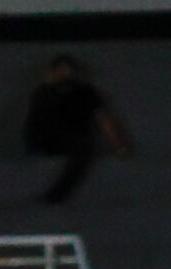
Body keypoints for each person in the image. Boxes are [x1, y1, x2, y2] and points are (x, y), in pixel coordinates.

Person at [24, 57, 129, 206]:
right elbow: (33, 121)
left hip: (77, 140)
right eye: (60, 71)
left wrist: (118, 146)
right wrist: (31, 145)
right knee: (83, 148)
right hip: (50, 140)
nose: (64, 74)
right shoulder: (43, 92)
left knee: (84, 148)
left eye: (67, 70)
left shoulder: (86, 92)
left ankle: (55, 196)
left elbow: (103, 119)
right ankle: (54, 197)